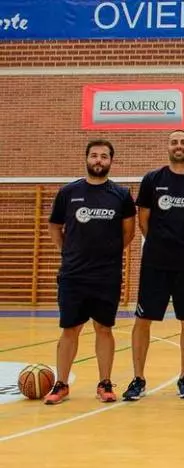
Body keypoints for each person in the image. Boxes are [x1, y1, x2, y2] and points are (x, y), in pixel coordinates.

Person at [122, 130, 184, 401]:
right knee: (143, 320)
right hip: (155, 263)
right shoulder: (153, 179)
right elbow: (144, 220)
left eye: (183, 142)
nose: (179, 146)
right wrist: (160, 244)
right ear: (168, 147)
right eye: (174, 142)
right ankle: (138, 378)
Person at [43, 140, 136, 405]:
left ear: (111, 161)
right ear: (86, 159)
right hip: (73, 274)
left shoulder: (121, 194)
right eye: (94, 155)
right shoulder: (68, 192)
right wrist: (68, 252)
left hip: (106, 275)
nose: (98, 160)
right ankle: (61, 384)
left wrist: (108, 254)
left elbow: (128, 232)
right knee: (70, 329)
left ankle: (105, 383)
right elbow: (54, 227)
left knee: (104, 328)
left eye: (104, 156)